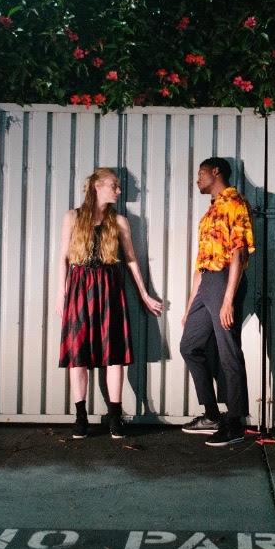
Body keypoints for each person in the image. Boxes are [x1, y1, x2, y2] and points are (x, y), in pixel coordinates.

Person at [56, 167, 163, 440]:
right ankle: (81, 417)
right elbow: (63, 259)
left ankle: (115, 417)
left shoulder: (121, 222)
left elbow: (130, 261)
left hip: (109, 288)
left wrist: (144, 294)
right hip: (79, 287)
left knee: (114, 354)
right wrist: (61, 294)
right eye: (114, 185)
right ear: (97, 186)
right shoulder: (72, 217)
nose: (119, 190)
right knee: (78, 356)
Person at [180, 157, 256, 447]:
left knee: (228, 352)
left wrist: (228, 299)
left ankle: (235, 423)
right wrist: (190, 305)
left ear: (216, 172)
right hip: (208, 283)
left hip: (226, 280)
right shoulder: (211, 210)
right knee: (189, 346)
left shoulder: (235, 203)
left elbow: (238, 253)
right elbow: (202, 262)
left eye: (200, 173)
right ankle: (211, 415)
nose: (196, 179)